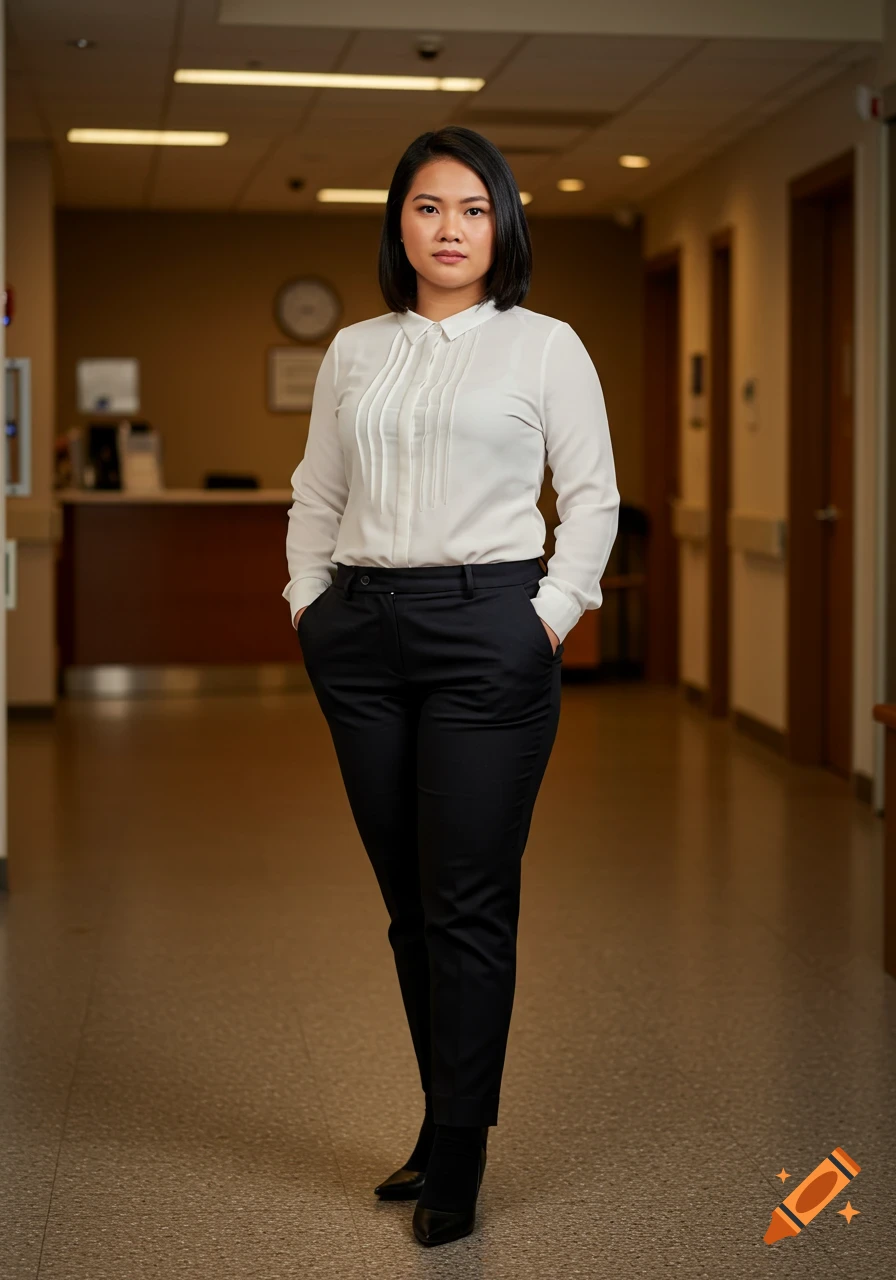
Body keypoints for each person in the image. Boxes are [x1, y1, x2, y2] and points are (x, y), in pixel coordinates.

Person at [282, 126, 620, 1248]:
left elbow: (592, 497)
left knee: (466, 903)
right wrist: (308, 604)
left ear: (503, 225)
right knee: (409, 906)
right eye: (427, 208)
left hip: (490, 630)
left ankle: (459, 1159)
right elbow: (315, 493)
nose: (449, 229)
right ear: (398, 225)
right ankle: (442, 1120)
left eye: (472, 209)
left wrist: (546, 620)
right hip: (363, 636)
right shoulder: (354, 351)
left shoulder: (544, 347)